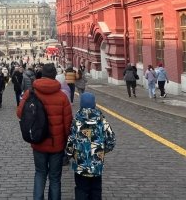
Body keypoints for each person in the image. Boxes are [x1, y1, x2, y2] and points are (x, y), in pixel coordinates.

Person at [17, 63, 73, 200]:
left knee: (40, 173)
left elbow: (19, 113)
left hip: (38, 142)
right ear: (54, 76)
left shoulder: (30, 93)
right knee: (55, 178)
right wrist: (67, 143)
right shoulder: (62, 96)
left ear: (42, 75)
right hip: (57, 145)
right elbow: (68, 124)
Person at [66, 92, 116, 200]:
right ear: (94, 104)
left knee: (81, 189)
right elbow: (111, 140)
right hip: (96, 163)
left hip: (80, 164)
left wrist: (69, 155)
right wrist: (103, 150)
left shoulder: (76, 121)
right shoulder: (102, 120)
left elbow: (71, 142)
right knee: (96, 189)